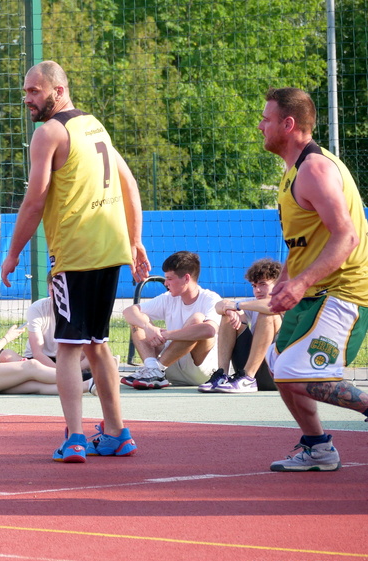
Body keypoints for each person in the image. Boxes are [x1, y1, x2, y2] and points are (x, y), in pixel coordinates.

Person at [0, 60, 150, 463]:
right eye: (26, 91)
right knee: (98, 344)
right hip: (109, 250)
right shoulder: (93, 125)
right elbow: (129, 183)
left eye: (35, 90)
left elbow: (34, 201)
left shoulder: (49, 133)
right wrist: (134, 240)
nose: (28, 98)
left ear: (58, 90)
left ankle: (76, 438)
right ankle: (117, 432)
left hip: (75, 253)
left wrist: (13, 252)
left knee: (68, 347)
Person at [259, 86, 368, 472]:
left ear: (288, 125)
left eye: (267, 119)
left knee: (294, 371)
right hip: (315, 290)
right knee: (278, 364)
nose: (261, 126)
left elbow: (347, 236)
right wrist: (285, 282)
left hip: (342, 291)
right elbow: (303, 242)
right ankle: (318, 447)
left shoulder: (316, 169)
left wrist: (302, 283)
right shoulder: (292, 171)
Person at [122, 251, 221, 389]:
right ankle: (153, 370)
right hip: (170, 367)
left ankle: (157, 369)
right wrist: (148, 328)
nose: (166, 283)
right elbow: (128, 311)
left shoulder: (211, 298)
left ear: (186, 278)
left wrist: (167, 334)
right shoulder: (168, 297)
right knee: (138, 322)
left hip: (200, 372)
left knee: (197, 319)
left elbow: (210, 330)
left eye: (169, 278)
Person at [199, 258, 282, 393]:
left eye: (263, 284)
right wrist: (229, 310)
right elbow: (219, 306)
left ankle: (248, 378)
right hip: (247, 373)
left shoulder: (290, 302)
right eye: (254, 286)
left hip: (277, 376)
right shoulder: (253, 302)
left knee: (267, 315)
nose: (258, 290)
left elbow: (273, 306)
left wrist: (237, 305)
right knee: (228, 314)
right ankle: (222, 375)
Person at [23, 272, 91, 379]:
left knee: (98, 354)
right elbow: (37, 353)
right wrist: (60, 372)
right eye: (52, 291)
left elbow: (89, 350)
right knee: (7, 355)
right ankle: (74, 377)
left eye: (61, 291)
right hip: (43, 360)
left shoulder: (83, 309)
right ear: (48, 288)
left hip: (71, 359)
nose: (57, 296)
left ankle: (72, 375)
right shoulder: (37, 308)